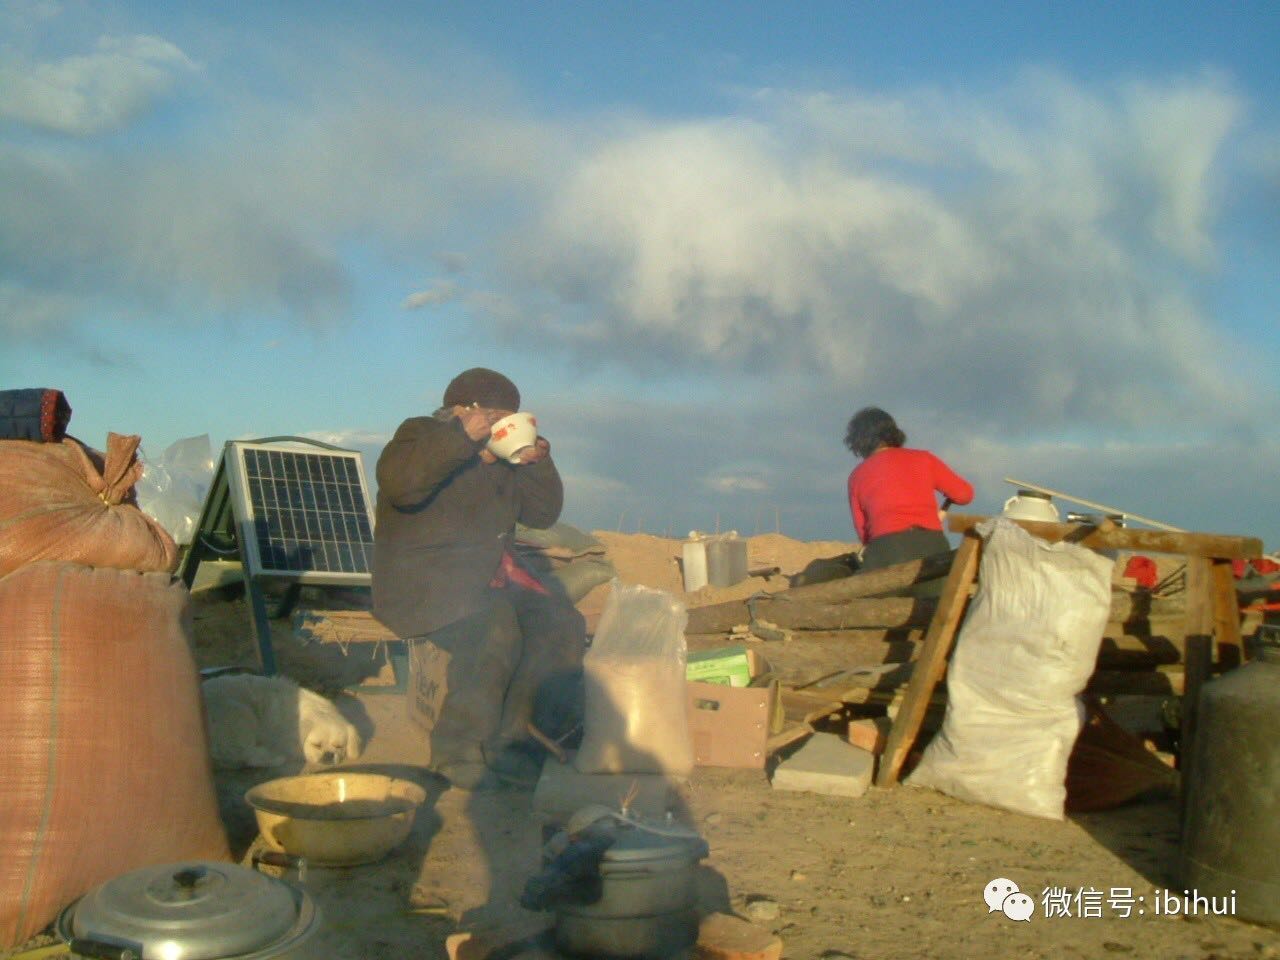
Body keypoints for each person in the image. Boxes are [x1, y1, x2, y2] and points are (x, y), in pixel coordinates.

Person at [373, 367, 586, 789]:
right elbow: (401, 486)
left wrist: (538, 464)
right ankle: (458, 750)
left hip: (486, 581)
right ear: (459, 411)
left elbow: (542, 515)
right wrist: (461, 438)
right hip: (421, 584)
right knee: (494, 627)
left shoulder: (504, 464)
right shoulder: (420, 435)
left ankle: (514, 743)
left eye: (508, 418)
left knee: (562, 623)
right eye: (492, 416)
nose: (499, 426)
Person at [844, 406, 974, 571]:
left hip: (886, 550)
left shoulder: (856, 476)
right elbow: (964, 494)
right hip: (933, 546)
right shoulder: (924, 459)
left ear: (859, 442)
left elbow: (863, 533)